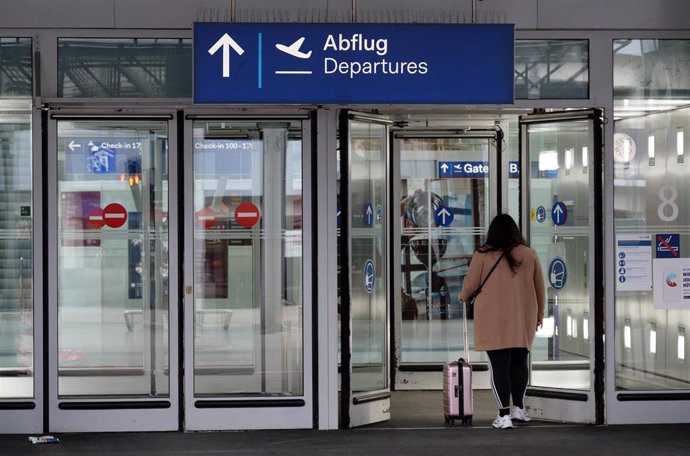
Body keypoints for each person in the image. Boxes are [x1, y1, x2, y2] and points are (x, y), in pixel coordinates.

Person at [458, 214, 545, 429]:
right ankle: (520, 409)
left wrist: (462, 296)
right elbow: (540, 288)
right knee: (519, 364)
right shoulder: (529, 254)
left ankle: (503, 415)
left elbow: (470, 285)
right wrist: (539, 314)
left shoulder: (483, 255)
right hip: (522, 318)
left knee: (499, 367)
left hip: (493, 320)